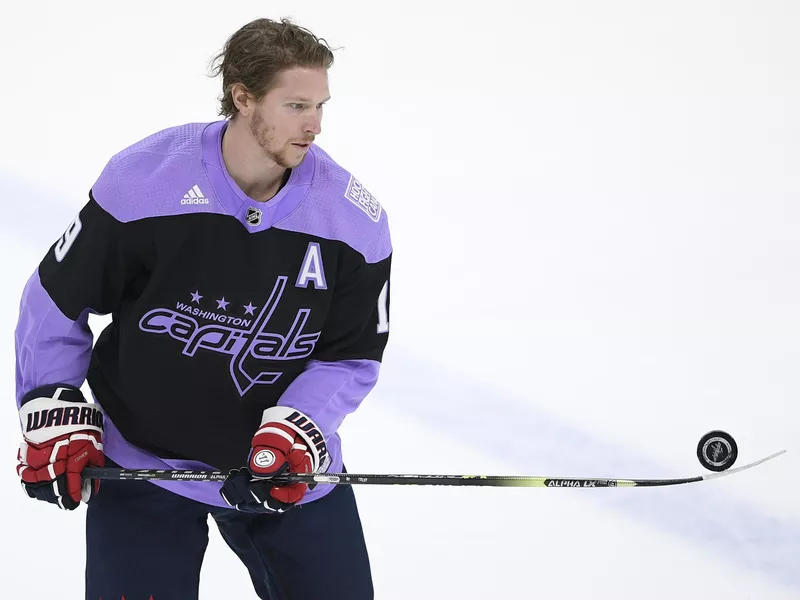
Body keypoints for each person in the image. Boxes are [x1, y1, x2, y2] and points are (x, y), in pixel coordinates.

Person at [14, 17, 391, 600]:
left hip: (283, 471)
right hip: (141, 463)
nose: (315, 125)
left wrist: (302, 428)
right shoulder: (144, 180)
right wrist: (51, 400)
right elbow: (56, 299)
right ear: (243, 98)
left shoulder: (352, 221)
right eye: (295, 105)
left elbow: (350, 356)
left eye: (320, 105)